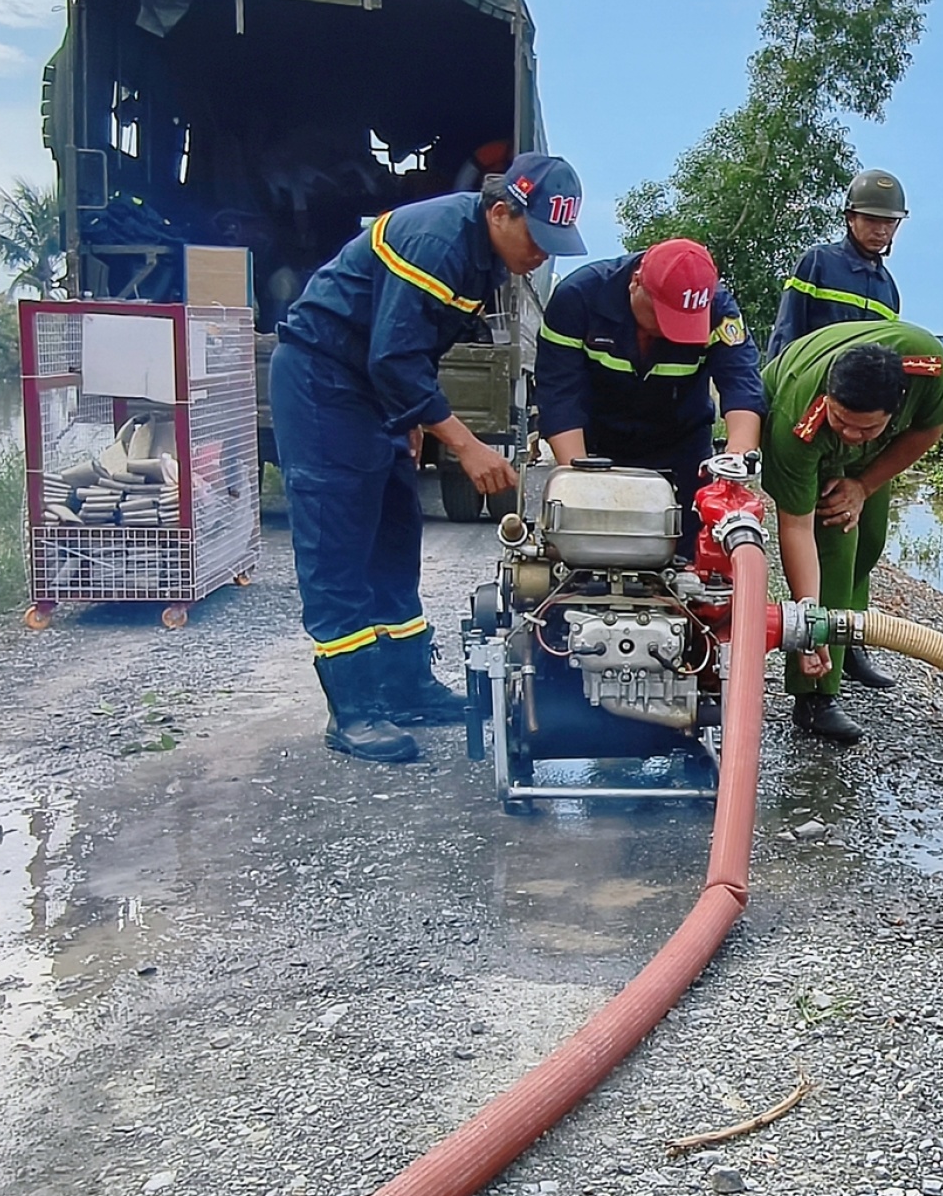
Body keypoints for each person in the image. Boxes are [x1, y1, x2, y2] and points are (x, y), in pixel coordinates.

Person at [269, 153, 584, 762]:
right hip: (324, 382)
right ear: (501, 211)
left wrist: (418, 419)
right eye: (539, 237)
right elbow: (392, 356)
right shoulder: (439, 241)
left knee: (394, 534)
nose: (543, 254)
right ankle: (354, 710)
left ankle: (405, 684)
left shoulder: (485, 259)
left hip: (373, 391)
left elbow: (414, 346)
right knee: (338, 542)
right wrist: (464, 444)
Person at [760, 319, 943, 744]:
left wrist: (864, 485)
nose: (851, 436)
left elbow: (929, 428)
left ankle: (849, 640)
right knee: (834, 545)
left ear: (897, 408)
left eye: (865, 429)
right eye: (842, 421)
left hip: (877, 446)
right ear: (829, 399)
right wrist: (807, 621)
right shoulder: (796, 423)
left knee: (868, 542)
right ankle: (813, 696)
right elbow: (796, 529)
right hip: (803, 423)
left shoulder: (929, 369)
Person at [532, 238, 765, 528]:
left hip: (682, 449)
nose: (669, 333)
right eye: (663, 316)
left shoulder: (718, 310)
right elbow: (558, 395)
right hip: (596, 449)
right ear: (636, 283)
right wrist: (581, 485)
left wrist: (737, 459)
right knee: (589, 544)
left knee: (695, 554)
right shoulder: (577, 298)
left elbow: (741, 381)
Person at [766, 169, 906, 359]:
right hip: (813, 382)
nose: (881, 231)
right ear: (850, 218)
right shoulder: (817, 263)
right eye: (871, 220)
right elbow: (787, 331)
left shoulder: (889, 289)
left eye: (889, 222)